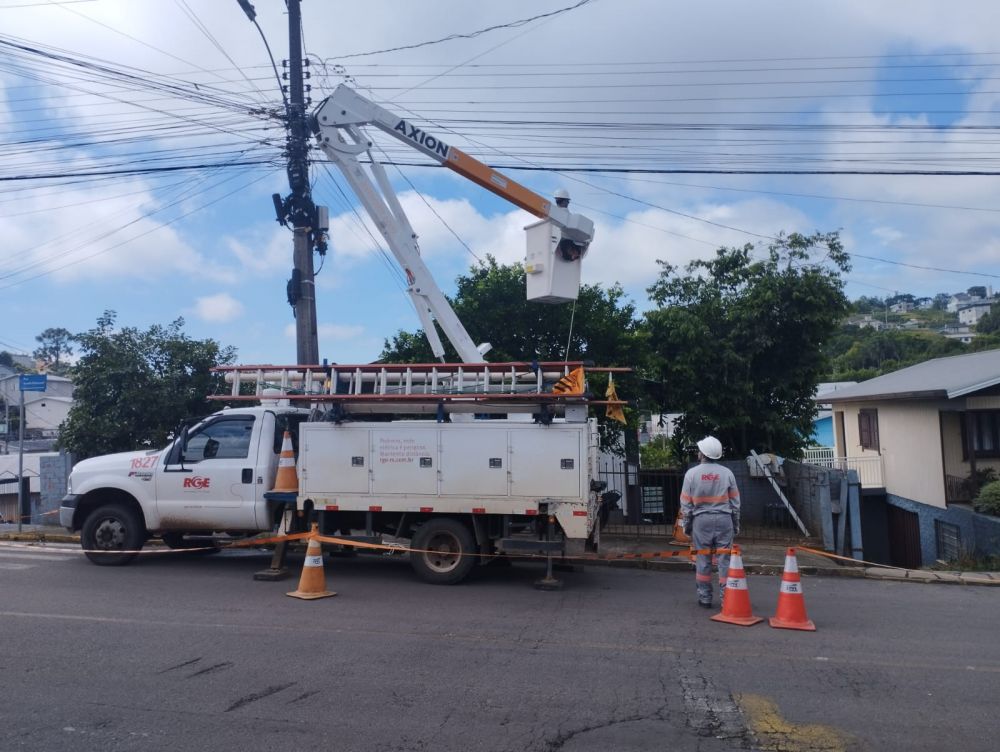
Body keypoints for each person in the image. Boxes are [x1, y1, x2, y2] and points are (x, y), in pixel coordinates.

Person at [679, 436, 741, 608]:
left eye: (699, 450)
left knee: (703, 560)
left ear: (703, 453)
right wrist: (735, 525)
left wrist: (687, 525)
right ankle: (727, 599)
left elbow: (686, 504)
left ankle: (705, 598)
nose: (698, 453)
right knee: (725, 561)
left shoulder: (691, 474)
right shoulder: (727, 473)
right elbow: (735, 504)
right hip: (724, 520)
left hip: (701, 522)